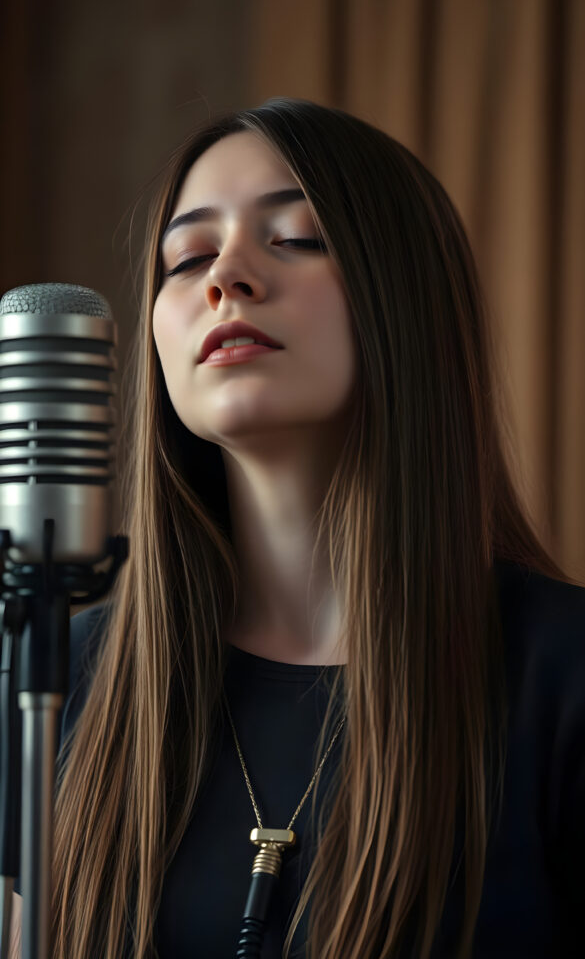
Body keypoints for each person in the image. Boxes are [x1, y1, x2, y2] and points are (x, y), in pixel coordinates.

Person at [12, 98, 584, 958]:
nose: (225, 277)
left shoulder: (562, 677)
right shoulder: (57, 691)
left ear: (407, 298)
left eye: (296, 237)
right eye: (188, 256)